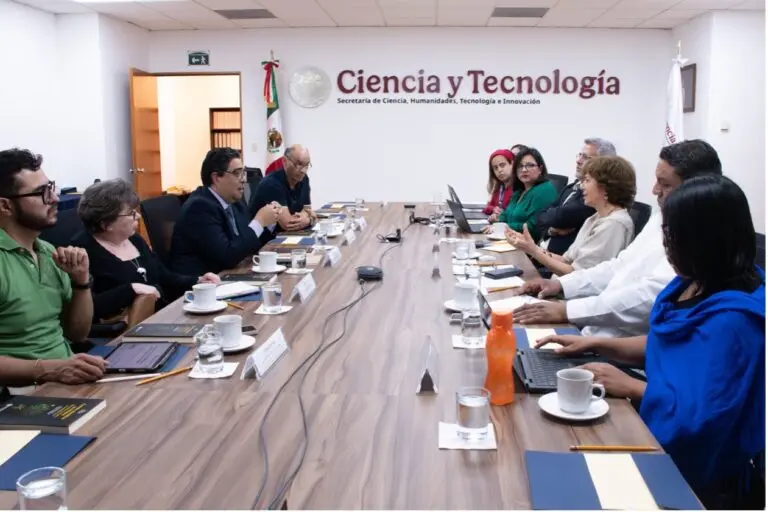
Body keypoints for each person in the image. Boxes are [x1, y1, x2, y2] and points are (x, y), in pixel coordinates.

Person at [534, 175, 765, 510]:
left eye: (672, 235)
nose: (666, 244)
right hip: (656, 415)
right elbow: (664, 347)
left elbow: (703, 415)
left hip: (694, 466)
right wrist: (595, 344)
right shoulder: (690, 282)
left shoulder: (735, 321)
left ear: (705, 239)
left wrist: (631, 386)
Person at [512, 139, 723, 338]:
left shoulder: (697, 237)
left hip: (616, 342)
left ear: (694, 188)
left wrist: (568, 310)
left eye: (665, 184)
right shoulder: (661, 217)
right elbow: (619, 266)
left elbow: (650, 296)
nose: (654, 190)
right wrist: (561, 285)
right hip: (593, 327)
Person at [0, 148, 105, 383]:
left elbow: (78, 334)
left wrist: (81, 282)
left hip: (63, 379)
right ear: (5, 206)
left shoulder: (48, 251)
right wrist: (49, 369)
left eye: (51, 188)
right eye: (42, 193)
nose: (55, 199)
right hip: (17, 393)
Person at [73, 179, 220, 322]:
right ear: (106, 223)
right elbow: (85, 308)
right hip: (121, 331)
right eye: (131, 213)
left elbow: (164, 276)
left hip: (157, 317)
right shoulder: (81, 252)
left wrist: (198, 280)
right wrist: (131, 289)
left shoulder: (134, 239)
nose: (138, 216)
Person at [508, 156, 635, 276]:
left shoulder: (613, 224)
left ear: (605, 188)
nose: (581, 186)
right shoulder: (596, 217)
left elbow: (578, 276)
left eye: (587, 180)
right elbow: (566, 260)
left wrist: (533, 251)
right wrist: (530, 246)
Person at [170, 148, 281, 275]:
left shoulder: (234, 201)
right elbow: (227, 257)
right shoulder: (199, 208)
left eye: (243, 173)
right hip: (205, 282)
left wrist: (270, 221)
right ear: (217, 178)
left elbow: (248, 243)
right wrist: (259, 222)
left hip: (231, 273)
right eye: (237, 173)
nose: (244, 180)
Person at [536, 138, 616, 255]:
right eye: (579, 155)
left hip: (557, 258)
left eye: (586, 157)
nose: (578, 161)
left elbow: (562, 216)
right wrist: (551, 230)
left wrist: (550, 215)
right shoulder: (572, 187)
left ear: (603, 165)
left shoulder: (595, 197)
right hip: (542, 250)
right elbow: (540, 215)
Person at [485, 147, 557, 241]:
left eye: (530, 165)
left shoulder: (545, 190)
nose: (524, 170)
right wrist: (496, 225)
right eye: (520, 166)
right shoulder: (519, 191)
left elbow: (533, 227)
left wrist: (505, 227)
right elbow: (505, 215)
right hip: (511, 241)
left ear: (540, 169)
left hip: (529, 246)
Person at [249, 144, 316, 232]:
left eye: (306, 165)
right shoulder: (272, 183)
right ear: (285, 161)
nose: (303, 170)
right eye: (299, 164)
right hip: (267, 238)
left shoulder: (304, 179)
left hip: (290, 235)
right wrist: (309, 220)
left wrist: (306, 215)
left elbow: (307, 209)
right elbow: (288, 224)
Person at [482, 149, 516, 221]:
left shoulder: (519, 188)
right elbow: (487, 207)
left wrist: (499, 217)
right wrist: (493, 209)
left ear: (512, 164)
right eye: (495, 168)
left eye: (502, 165)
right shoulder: (499, 188)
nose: (499, 170)